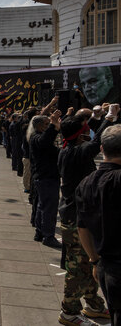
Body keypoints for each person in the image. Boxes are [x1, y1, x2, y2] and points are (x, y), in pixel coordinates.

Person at [57, 107, 118, 325]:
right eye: (85, 130)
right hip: (75, 219)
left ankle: (94, 304)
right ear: (80, 135)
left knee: (91, 263)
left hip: (78, 214)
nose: (88, 133)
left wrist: (96, 118)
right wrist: (108, 118)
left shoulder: (68, 149)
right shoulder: (76, 152)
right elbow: (99, 140)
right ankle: (69, 311)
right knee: (77, 267)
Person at [76, 124, 121, 326]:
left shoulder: (87, 183)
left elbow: (82, 227)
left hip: (106, 266)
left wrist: (95, 260)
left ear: (102, 149)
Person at [28, 110, 62, 248]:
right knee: (49, 208)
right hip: (45, 177)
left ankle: (40, 231)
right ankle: (48, 235)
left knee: (43, 206)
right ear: (40, 126)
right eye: (47, 124)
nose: (49, 126)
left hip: (47, 176)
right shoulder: (36, 137)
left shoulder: (40, 137)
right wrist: (54, 127)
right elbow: (44, 142)